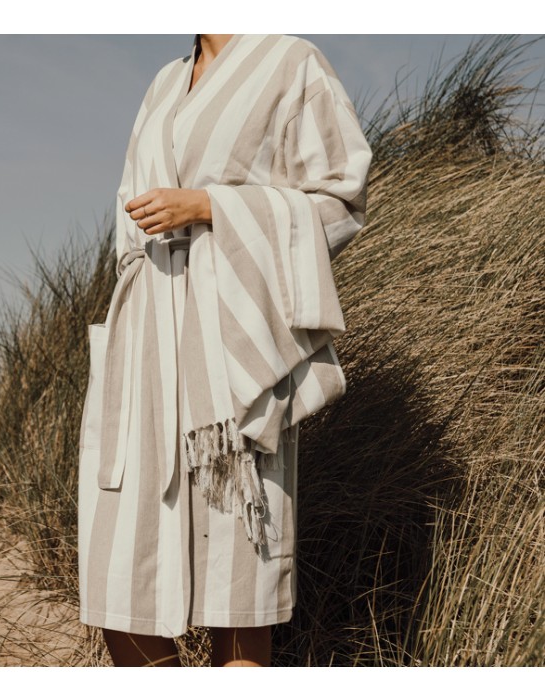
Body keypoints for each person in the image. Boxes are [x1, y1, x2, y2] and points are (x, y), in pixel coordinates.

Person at [76, 34, 372, 667]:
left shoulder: (290, 61)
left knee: (235, 593)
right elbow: (127, 222)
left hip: (234, 346)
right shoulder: (164, 82)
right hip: (147, 339)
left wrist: (212, 207)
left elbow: (341, 199)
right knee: (118, 584)